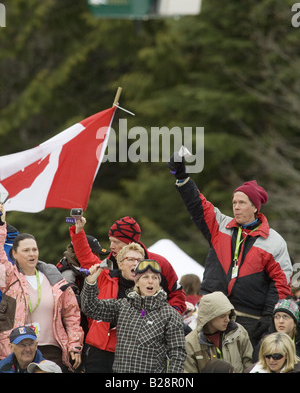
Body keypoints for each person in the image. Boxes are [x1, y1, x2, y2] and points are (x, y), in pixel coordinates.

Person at [168, 153, 293, 344]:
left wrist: (269, 318)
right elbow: (197, 205)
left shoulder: (274, 241)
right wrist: (183, 178)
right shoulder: (221, 226)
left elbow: (280, 284)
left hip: (249, 318)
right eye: (234, 202)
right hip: (212, 311)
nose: (236, 207)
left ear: (255, 208)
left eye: (242, 203)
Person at [0, 205, 84, 372]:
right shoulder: (9, 277)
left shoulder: (54, 278)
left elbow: (72, 314)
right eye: (26, 250)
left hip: (52, 350)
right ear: (14, 254)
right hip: (19, 350)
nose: (32, 254)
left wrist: (74, 345)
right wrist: (1, 224)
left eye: (34, 249)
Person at [81, 259, 186, 373]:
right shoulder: (123, 306)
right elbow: (91, 308)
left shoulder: (170, 315)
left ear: (159, 283)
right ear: (137, 282)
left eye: (155, 278)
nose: (150, 281)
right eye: (145, 277)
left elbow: (177, 354)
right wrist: (91, 282)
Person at [69, 216, 186, 315]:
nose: (111, 246)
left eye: (116, 242)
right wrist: (79, 230)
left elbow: (177, 294)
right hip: (109, 336)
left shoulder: (160, 264)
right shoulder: (106, 266)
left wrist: (169, 318)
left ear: (130, 244)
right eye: (110, 241)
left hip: (150, 334)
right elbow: (86, 257)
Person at [80, 242, 145, 373]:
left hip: (129, 354)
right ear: (120, 264)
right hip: (99, 350)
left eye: (139, 260)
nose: (135, 263)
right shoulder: (107, 277)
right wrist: (78, 230)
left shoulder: (148, 291)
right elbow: (89, 307)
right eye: (131, 259)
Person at [184, 291, 253, 373]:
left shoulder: (239, 332)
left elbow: (248, 364)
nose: (227, 319)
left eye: (229, 315)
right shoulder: (190, 342)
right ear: (208, 317)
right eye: (222, 316)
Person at [56, 234, 110, 338]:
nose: (98, 258)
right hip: (72, 331)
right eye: (94, 254)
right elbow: (68, 305)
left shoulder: (77, 269)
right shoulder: (68, 274)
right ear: (79, 253)